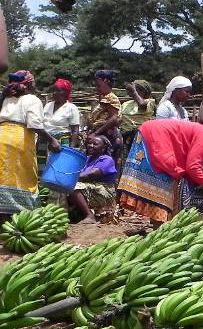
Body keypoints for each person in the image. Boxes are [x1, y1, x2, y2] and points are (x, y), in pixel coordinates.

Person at [117, 119, 203, 224]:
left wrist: (199, 182)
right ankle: (159, 226)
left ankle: (158, 224)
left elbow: (192, 166)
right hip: (155, 137)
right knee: (162, 186)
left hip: (153, 133)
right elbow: (193, 167)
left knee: (165, 187)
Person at [0, 71, 61, 214]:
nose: (36, 85)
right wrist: (52, 140)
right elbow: (34, 124)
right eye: (34, 82)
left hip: (2, 135)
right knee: (22, 177)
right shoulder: (32, 100)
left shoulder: (6, 99)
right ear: (28, 84)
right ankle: (18, 215)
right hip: (18, 140)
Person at [68, 135, 117, 223]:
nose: (91, 145)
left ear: (103, 147)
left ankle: (89, 216)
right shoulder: (88, 159)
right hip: (91, 188)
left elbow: (92, 175)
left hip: (104, 191)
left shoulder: (106, 159)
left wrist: (71, 177)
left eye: (95, 144)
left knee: (73, 186)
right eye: (90, 143)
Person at [88, 69, 124, 166]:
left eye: (98, 85)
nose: (96, 88)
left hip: (108, 137)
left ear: (107, 81)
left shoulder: (110, 97)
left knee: (105, 165)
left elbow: (114, 118)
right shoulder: (104, 98)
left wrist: (96, 133)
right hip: (102, 135)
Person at [43, 79, 80, 148]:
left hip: (61, 143)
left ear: (65, 92)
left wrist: (70, 149)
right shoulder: (48, 106)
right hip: (44, 140)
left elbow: (75, 131)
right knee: (42, 159)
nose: (54, 93)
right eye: (53, 90)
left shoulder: (71, 108)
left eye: (58, 91)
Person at [120, 80, 156, 147]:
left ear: (143, 91)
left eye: (136, 90)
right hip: (124, 134)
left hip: (139, 135)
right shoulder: (126, 103)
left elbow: (142, 105)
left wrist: (134, 92)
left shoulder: (149, 102)